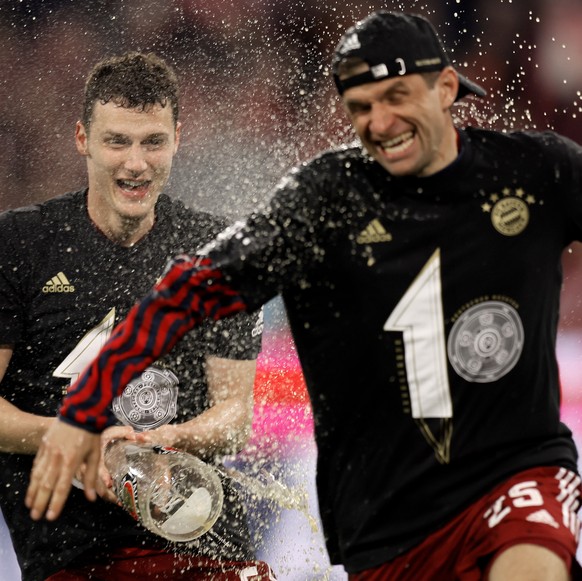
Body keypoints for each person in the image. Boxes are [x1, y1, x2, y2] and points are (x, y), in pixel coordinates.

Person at [24, 11, 582, 580]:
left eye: (397, 96)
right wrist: (84, 412)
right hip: (389, 524)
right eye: (362, 107)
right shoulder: (321, 200)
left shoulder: (539, 171)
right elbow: (182, 297)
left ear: (445, 88)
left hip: (517, 473)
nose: (381, 122)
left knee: (530, 564)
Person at [0, 52, 276, 580]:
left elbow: (234, 418)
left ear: (177, 137)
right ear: (83, 138)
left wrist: (168, 439)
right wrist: (69, 435)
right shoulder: (18, 245)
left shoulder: (216, 252)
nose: (136, 162)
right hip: (75, 557)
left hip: (206, 544)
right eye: (117, 141)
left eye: (153, 141)